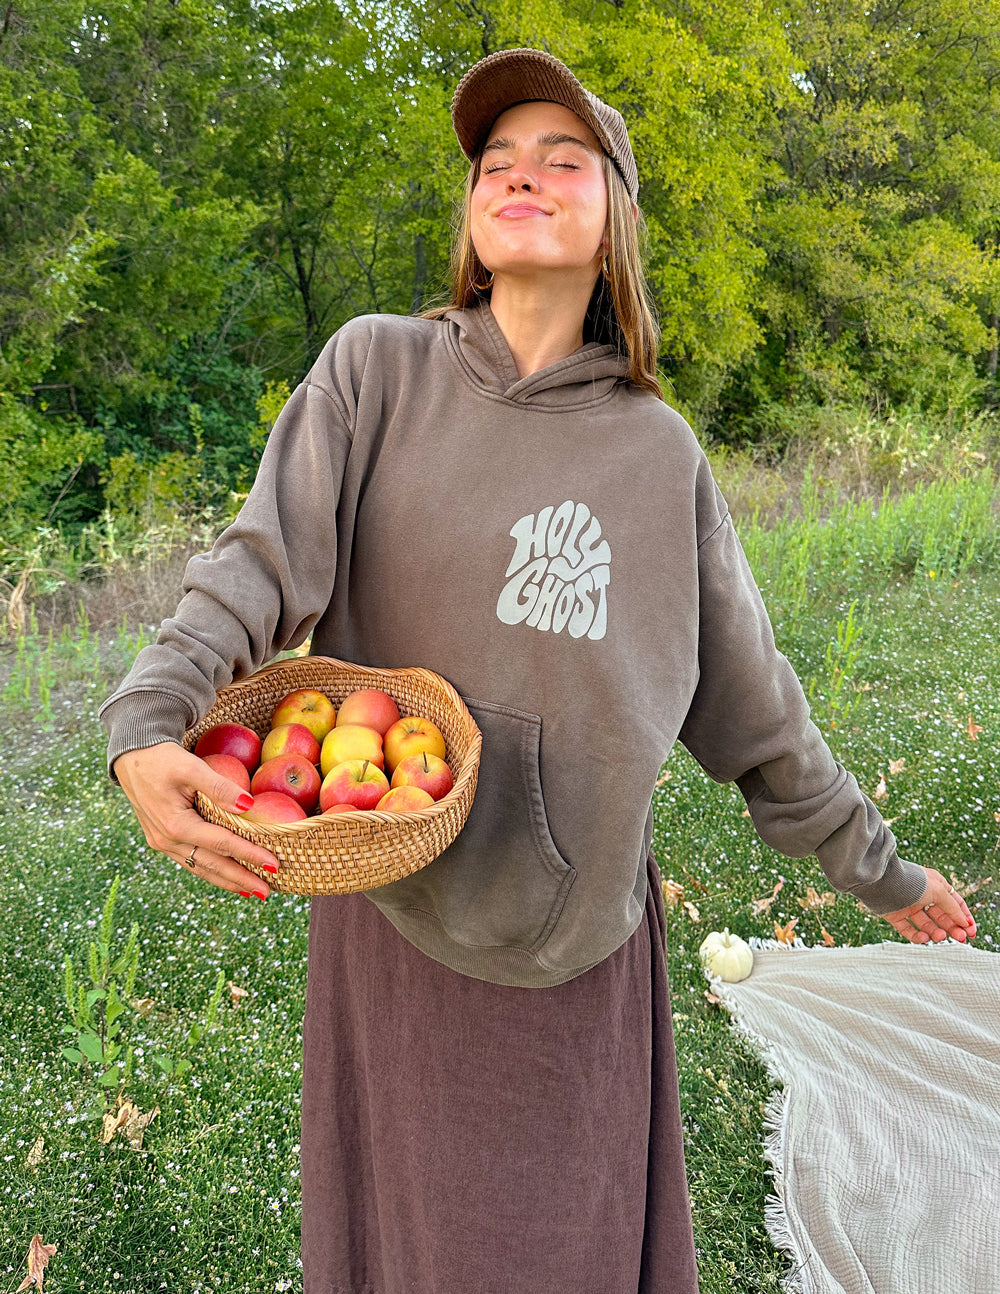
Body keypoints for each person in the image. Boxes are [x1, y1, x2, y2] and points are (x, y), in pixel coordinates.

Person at [100, 47, 977, 1294]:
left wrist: (878, 870)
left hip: (565, 949)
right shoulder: (373, 373)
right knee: (398, 1244)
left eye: (565, 159)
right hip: (393, 911)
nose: (522, 174)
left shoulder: (655, 453)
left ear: (615, 217)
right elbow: (255, 567)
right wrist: (148, 719)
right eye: (495, 160)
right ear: (469, 216)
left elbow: (755, 708)